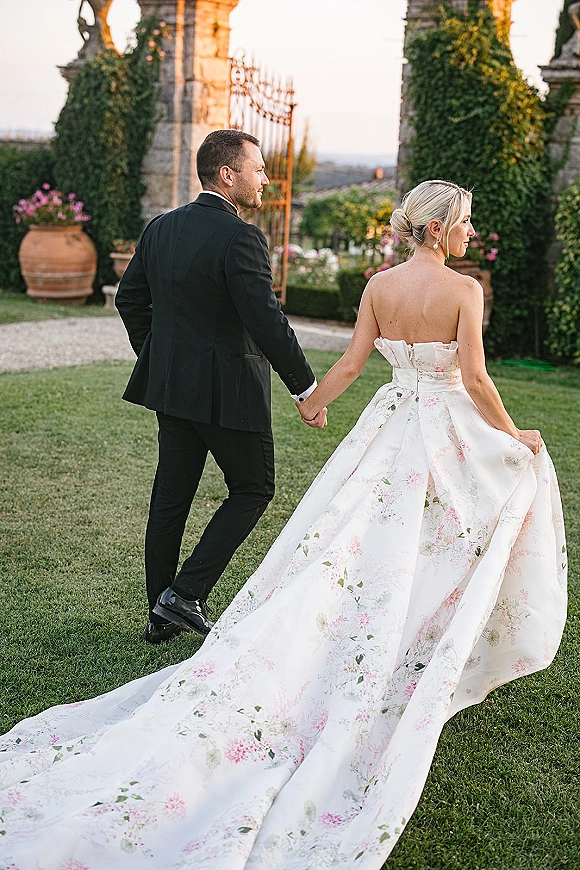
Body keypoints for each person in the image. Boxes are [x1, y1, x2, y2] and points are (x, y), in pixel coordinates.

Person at [0, 180, 566, 869]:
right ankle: (418, 641)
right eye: (467, 223)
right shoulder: (465, 292)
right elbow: (474, 379)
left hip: (389, 426)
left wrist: (312, 401)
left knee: (359, 542)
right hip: (445, 429)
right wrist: (513, 432)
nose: (471, 233)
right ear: (442, 227)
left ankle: (382, 634)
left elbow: (354, 364)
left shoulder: (380, 287)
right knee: (452, 530)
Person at [115, 129, 325, 647]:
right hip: (230, 393)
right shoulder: (242, 237)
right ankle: (184, 596)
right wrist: (306, 389)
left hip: (171, 389)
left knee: (171, 497)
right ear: (228, 176)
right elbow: (268, 321)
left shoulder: (160, 228)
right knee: (254, 488)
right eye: (257, 169)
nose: (265, 179)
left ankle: (160, 616)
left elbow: (128, 300)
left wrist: (161, 358)